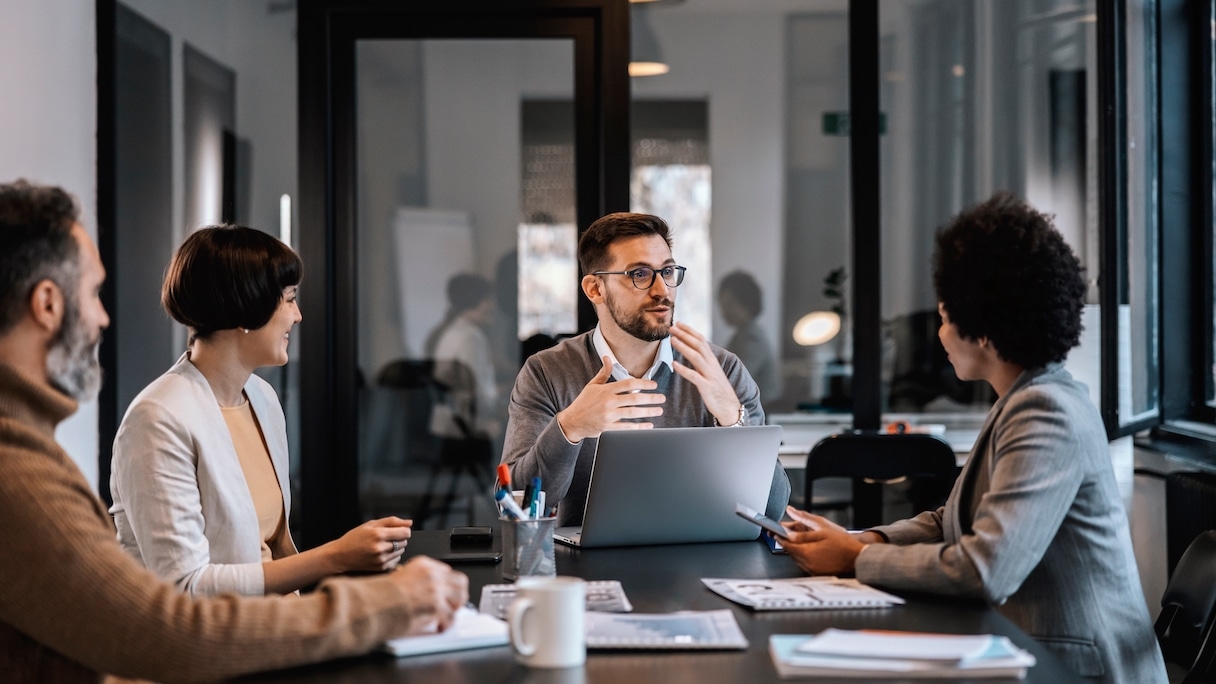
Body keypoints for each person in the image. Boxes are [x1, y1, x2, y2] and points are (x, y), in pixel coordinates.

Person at [0, 180, 467, 682]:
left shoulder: (262, 399)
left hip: (257, 647)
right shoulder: (35, 465)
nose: (102, 316)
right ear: (47, 304)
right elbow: (170, 622)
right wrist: (373, 599)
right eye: (92, 293)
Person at [779, 193, 1166, 683]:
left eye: (944, 318)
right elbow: (953, 520)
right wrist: (863, 537)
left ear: (982, 328)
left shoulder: (1046, 410)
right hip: (1029, 651)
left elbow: (987, 569)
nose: (939, 335)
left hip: (1076, 670)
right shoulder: (1021, 398)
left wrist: (856, 557)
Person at [108, 225, 413, 598]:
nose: (297, 315)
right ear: (246, 309)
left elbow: (270, 550)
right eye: (288, 299)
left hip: (274, 625)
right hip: (210, 646)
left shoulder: (261, 397)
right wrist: (336, 556)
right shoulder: (156, 420)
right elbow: (186, 587)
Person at [500, 212, 790, 526]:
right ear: (595, 289)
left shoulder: (722, 370)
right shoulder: (546, 372)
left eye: (667, 271)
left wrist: (732, 418)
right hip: (588, 567)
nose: (662, 290)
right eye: (640, 274)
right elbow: (514, 506)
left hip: (702, 563)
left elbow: (771, 511)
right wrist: (570, 428)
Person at [425, 273, 500, 442]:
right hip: (465, 425)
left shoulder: (450, 332)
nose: (494, 306)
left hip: (446, 423)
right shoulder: (471, 337)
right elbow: (477, 392)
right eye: (489, 299)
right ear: (478, 301)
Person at [718, 270, 779, 401]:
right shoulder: (740, 335)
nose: (724, 312)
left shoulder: (753, 339)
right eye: (723, 305)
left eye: (730, 305)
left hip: (760, 414)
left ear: (747, 304)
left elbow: (735, 380)